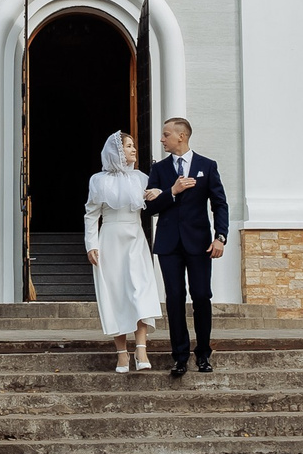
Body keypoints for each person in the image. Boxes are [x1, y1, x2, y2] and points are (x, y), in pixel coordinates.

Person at [147, 116, 228, 377]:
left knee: (202, 295)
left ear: (181, 136)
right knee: (174, 298)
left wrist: (220, 237)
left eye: (166, 134)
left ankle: (203, 354)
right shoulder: (159, 170)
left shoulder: (207, 166)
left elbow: (219, 204)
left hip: (200, 244)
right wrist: (172, 191)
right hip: (169, 244)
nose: (162, 139)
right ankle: (180, 357)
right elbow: (149, 207)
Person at [83, 130, 164, 372]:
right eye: (128, 146)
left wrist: (159, 193)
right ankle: (121, 353)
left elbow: (156, 206)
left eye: (133, 145)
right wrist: (91, 244)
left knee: (140, 291)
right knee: (116, 295)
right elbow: (91, 214)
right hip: (109, 240)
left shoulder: (141, 178)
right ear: (116, 151)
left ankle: (141, 349)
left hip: (135, 238)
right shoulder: (98, 180)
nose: (134, 149)